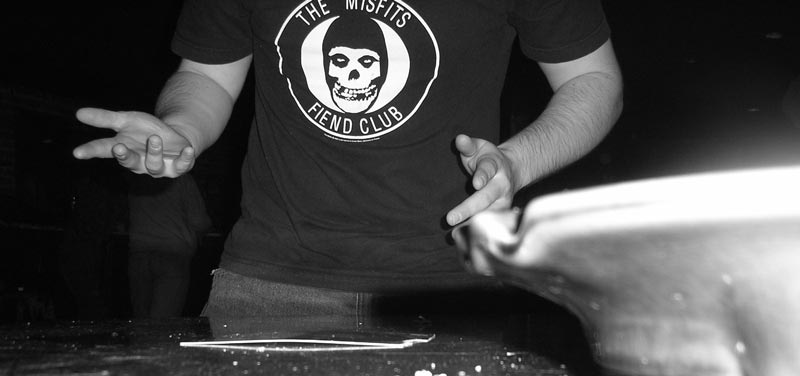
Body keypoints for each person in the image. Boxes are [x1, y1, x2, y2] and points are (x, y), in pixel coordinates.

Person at [72, 0, 623, 324]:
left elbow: (594, 80)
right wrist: (182, 128)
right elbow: (206, 75)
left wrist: (517, 161)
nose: (352, 76)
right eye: (341, 63)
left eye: (365, 65)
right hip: (270, 282)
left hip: (451, 290)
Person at [126, 172, 211, 318]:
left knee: (140, 322)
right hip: (172, 255)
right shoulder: (181, 177)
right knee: (163, 324)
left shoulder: (137, 175)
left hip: (139, 255)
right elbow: (199, 220)